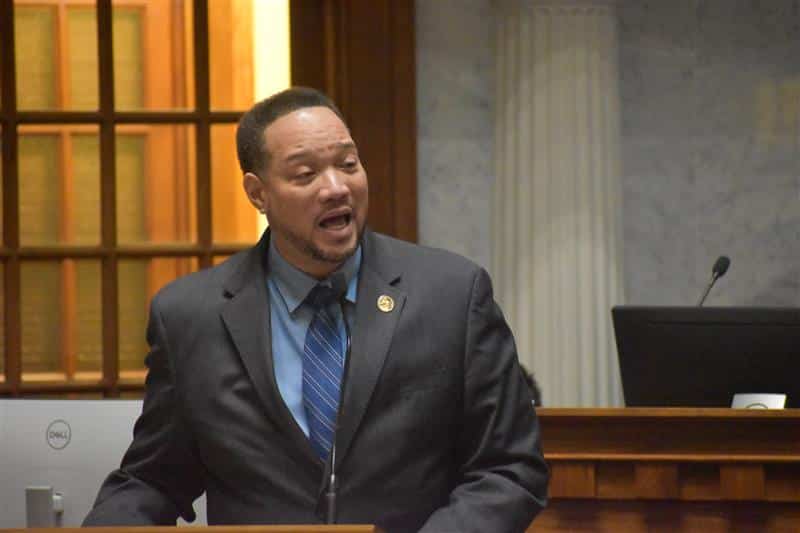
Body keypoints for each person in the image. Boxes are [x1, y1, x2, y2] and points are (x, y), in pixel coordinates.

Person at [84, 87, 548, 532]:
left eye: (348, 165)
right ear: (258, 192)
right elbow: (155, 478)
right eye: (305, 174)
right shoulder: (190, 317)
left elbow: (508, 468)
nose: (336, 188)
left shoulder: (452, 295)